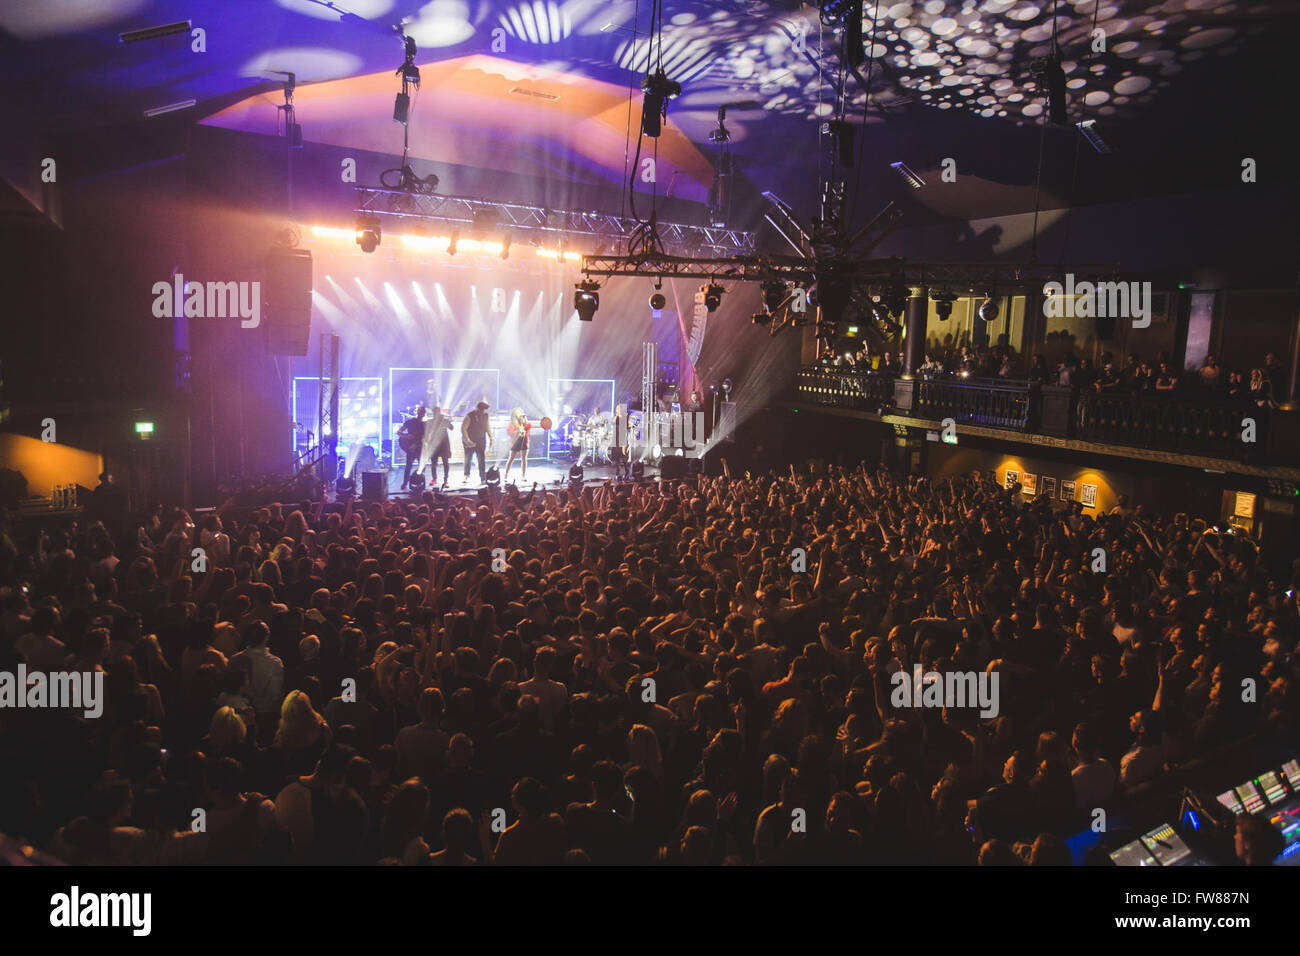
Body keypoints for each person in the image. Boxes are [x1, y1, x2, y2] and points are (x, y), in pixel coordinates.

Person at [461, 401, 492, 484]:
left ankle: (483, 477)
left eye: (484, 410)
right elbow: (463, 428)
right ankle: (466, 475)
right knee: (468, 459)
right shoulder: (469, 415)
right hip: (470, 440)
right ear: (478, 408)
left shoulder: (486, 416)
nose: (483, 411)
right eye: (482, 409)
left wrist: (491, 437)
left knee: (481, 459)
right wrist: (467, 440)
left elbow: (487, 426)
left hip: (481, 440)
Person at [421, 406, 452, 488]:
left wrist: (446, 421)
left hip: (444, 445)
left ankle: (446, 480)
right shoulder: (430, 422)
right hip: (434, 445)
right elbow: (425, 430)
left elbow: (452, 427)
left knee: (445, 463)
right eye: (435, 413)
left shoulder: (444, 420)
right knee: (434, 463)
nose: (437, 415)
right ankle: (434, 479)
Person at [396, 406, 426, 490]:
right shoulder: (410, 422)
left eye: (423, 412)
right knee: (408, 466)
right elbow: (398, 432)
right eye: (421, 412)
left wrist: (416, 443)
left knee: (421, 467)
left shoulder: (424, 424)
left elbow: (423, 437)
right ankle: (405, 482)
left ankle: (420, 482)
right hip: (411, 449)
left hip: (420, 448)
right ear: (418, 412)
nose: (422, 414)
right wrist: (406, 436)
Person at [503, 407, 531, 483]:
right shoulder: (512, 423)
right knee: (511, 458)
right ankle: (506, 474)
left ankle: (523, 475)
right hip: (515, 442)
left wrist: (525, 419)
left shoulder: (525, 423)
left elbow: (529, 426)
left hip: (524, 441)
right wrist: (517, 431)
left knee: (524, 458)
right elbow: (509, 432)